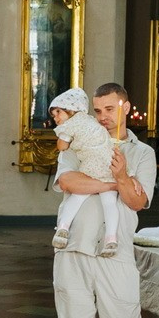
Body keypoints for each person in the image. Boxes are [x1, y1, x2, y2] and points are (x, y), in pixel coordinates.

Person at [51, 83, 159, 318]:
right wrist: (113, 184)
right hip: (72, 250)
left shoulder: (142, 153)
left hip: (117, 253)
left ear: (125, 107)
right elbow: (69, 182)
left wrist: (121, 175)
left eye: (109, 109)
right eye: (97, 110)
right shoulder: (79, 141)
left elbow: (138, 201)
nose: (102, 117)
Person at [48, 88, 118, 255]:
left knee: (78, 196)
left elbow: (62, 146)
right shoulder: (91, 120)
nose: (56, 118)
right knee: (110, 204)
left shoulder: (70, 125)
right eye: (53, 115)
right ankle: (111, 239)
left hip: (92, 165)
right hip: (108, 163)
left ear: (71, 109)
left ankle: (62, 229)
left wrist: (63, 141)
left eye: (58, 112)